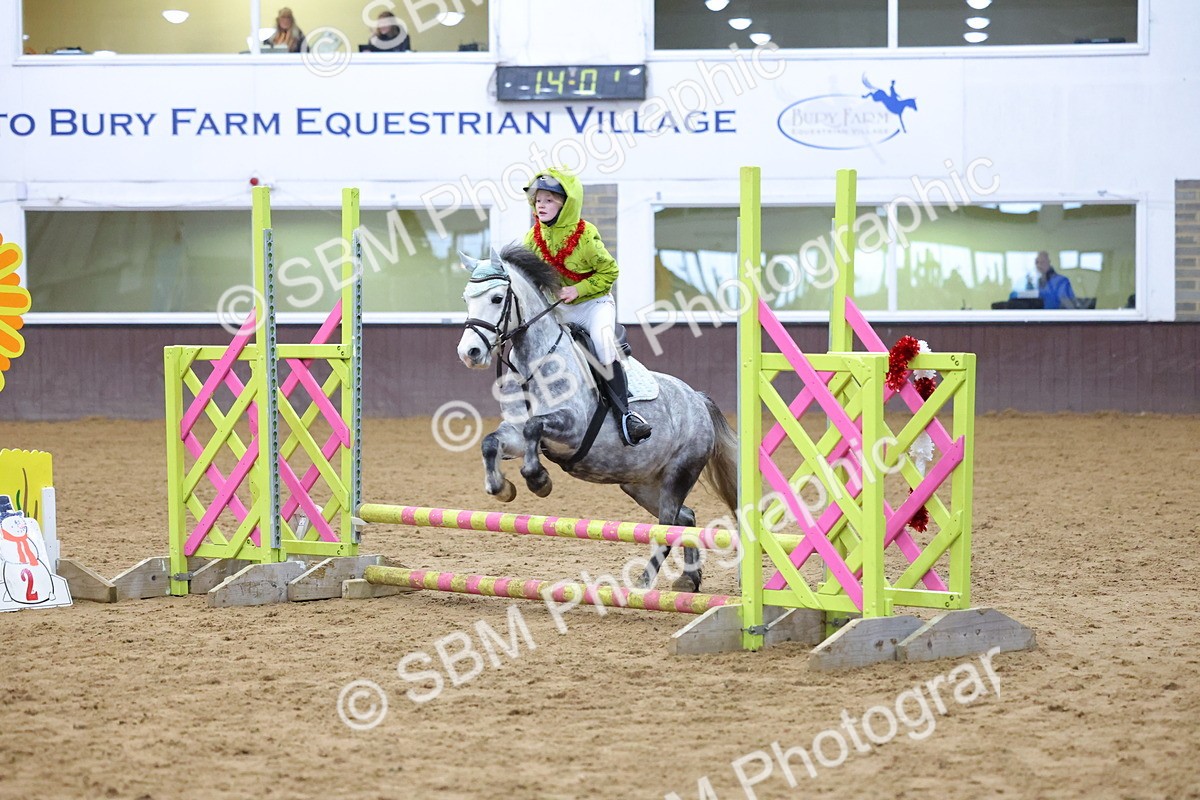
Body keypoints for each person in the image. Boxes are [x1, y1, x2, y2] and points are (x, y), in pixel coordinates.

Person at [522, 169, 652, 446]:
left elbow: (610, 272)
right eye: (538, 201)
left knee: (604, 345)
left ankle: (625, 416)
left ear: (565, 205)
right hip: (558, 309)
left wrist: (577, 289)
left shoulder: (585, 235)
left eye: (548, 200)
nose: (540, 205)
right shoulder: (533, 239)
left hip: (594, 305)